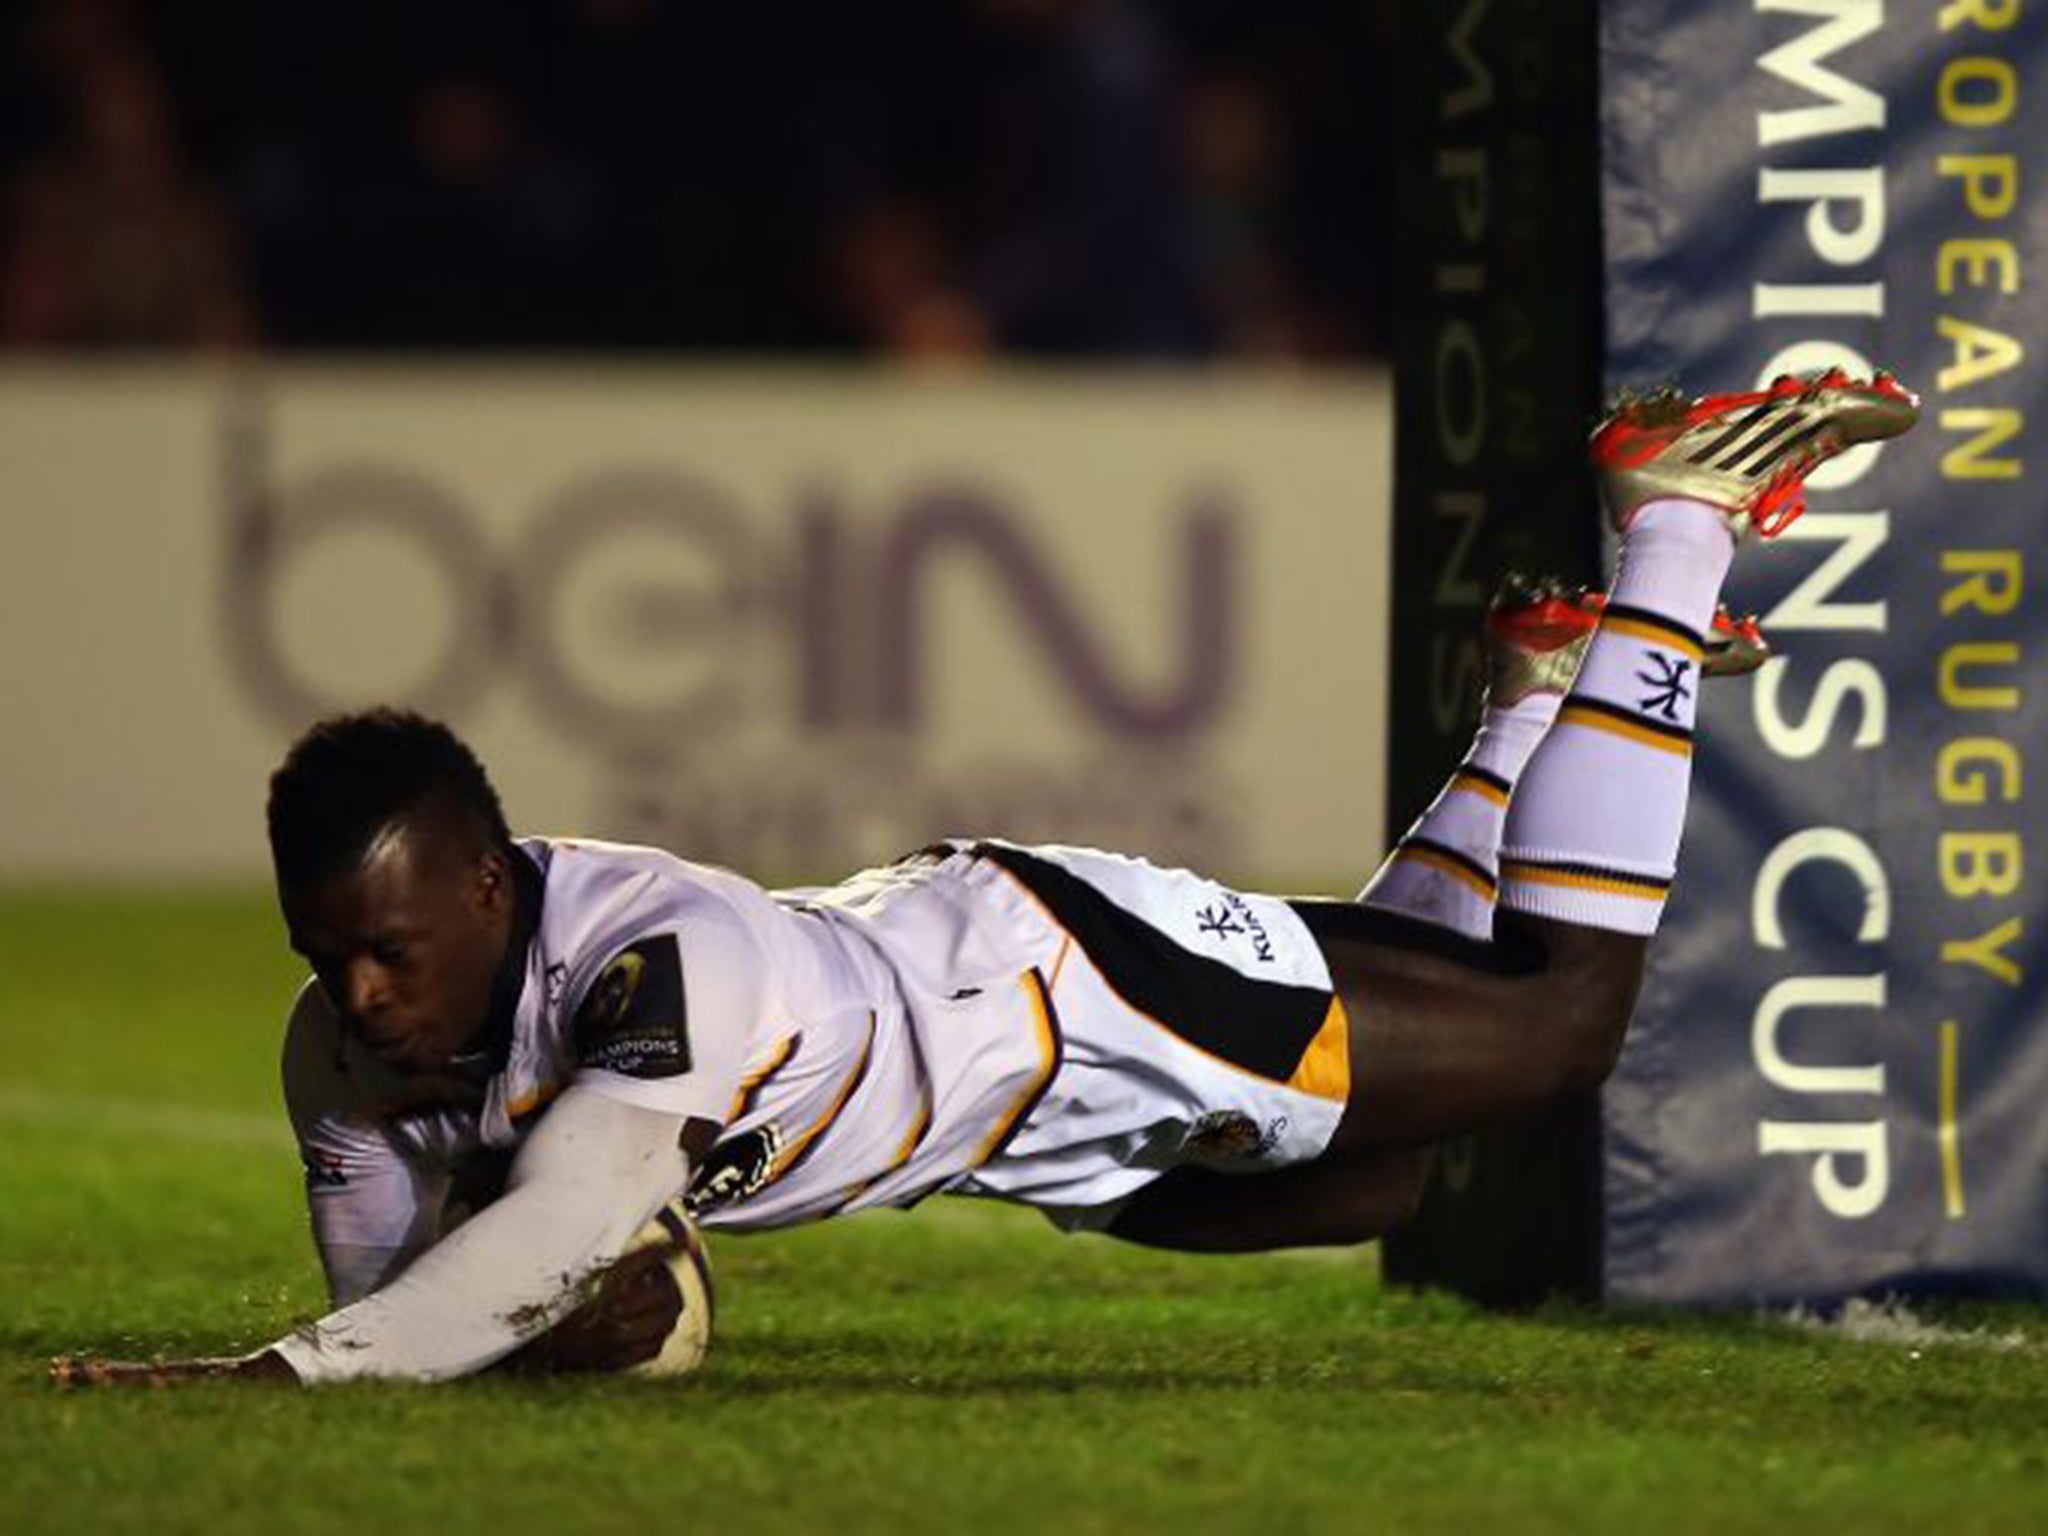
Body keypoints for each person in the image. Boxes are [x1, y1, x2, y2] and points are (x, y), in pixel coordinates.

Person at [52, 370, 1918, 1386]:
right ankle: (1529, 703)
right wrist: (554, 1337)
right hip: (1028, 1133)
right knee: (1384, 1174)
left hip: (1067, 982)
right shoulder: (344, 1046)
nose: (359, 1002)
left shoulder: (653, 965)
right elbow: (418, 1284)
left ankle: (1671, 522)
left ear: (482, 883)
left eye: (382, 953)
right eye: (326, 962)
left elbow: (531, 1244)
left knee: (1556, 1029)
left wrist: (282, 1377)